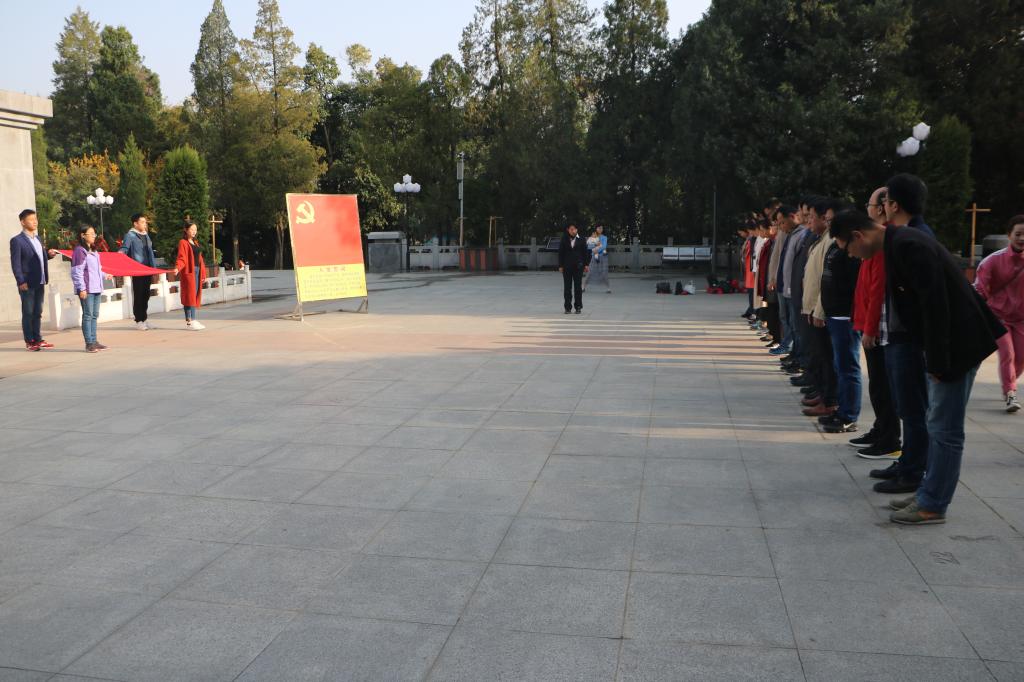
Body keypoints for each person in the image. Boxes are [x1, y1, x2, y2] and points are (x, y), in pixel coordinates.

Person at [831, 209, 1004, 524]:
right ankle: (928, 492)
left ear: (858, 235)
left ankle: (933, 504)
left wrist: (936, 362)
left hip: (959, 344)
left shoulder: (908, 245)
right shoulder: (897, 243)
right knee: (936, 423)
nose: (852, 256)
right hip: (949, 344)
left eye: (848, 249)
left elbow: (935, 307)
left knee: (945, 428)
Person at [850, 187, 902, 458]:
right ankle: (881, 428)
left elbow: (878, 289)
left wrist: (869, 328)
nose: (867, 210)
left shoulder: (884, 241)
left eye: (869, 205)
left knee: (884, 387)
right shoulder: (878, 238)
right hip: (869, 323)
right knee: (878, 385)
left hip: (879, 328)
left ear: (882, 208)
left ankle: (889, 438)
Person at [818, 208, 862, 433]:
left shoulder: (852, 252)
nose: (828, 224)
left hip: (846, 316)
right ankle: (842, 409)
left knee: (848, 367)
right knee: (840, 365)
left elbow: (856, 287)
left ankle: (849, 415)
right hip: (833, 314)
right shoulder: (835, 247)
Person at [974, 214, 1024, 412]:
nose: (1022, 238)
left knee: (1021, 357)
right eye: (1018, 234)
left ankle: (1009, 382)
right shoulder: (993, 260)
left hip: (1021, 319)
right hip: (997, 317)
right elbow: (979, 288)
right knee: (1007, 353)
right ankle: (1011, 393)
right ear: (1009, 235)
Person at [10, 209, 59, 351]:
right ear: (23, 222)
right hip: (27, 282)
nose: (35, 222)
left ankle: (38, 338)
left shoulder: (38, 239)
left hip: (40, 280)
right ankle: (30, 341)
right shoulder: (17, 241)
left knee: (38, 312)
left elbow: (40, 258)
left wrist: (49, 255)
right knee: (28, 312)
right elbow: (16, 263)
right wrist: (20, 281)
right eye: (31, 219)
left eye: (36, 219)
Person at [71, 225, 113, 352]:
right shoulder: (79, 251)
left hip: (96, 288)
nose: (94, 236)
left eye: (94, 233)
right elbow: (77, 272)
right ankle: (89, 343)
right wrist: (81, 289)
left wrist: (105, 275)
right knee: (88, 315)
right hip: (87, 289)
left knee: (94, 315)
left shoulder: (93, 251)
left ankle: (94, 341)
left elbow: (97, 270)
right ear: (83, 235)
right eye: (91, 233)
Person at [119, 213, 158, 330]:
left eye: (145, 222)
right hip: (137, 270)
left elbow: (150, 253)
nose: (145, 224)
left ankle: (144, 319)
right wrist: (118, 256)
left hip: (148, 270)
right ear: (135, 223)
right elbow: (124, 249)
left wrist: (154, 269)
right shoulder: (130, 235)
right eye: (142, 222)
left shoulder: (146, 236)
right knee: (139, 295)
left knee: (146, 295)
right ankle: (139, 320)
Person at [174, 219, 208, 330]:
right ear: (186, 230)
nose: (194, 231)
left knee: (193, 294)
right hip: (189, 271)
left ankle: (190, 321)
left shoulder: (195, 242)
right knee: (190, 295)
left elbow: (200, 259)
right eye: (192, 229)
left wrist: (203, 273)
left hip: (197, 271)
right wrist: (178, 267)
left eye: (195, 230)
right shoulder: (183, 242)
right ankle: (192, 320)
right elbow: (182, 258)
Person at [558, 223, 591, 314]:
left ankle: (578, 306)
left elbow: (585, 252)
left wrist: (586, 264)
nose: (573, 231)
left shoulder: (582, 239)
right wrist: (560, 265)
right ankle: (567, 307)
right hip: (567, 266)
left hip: (578, 266)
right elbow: (561, 253)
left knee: (578, 287)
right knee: (567, 288)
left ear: (577, 229)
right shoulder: (564, 239)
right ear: (568, 230)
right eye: (571, 229)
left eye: (574, 229)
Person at [584, 225, 610, 293]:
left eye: (601, 228)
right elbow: (589, 246)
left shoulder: (604, 237)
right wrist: (595, 246)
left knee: (604, 272)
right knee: (590, 272)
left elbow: (604, 246)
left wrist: (596, 250)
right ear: (596, 229)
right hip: (594, 256)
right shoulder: (592, 237)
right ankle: (583, 287)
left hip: (603, 257)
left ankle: (608, 288)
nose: (600, 229)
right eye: (599, 228)